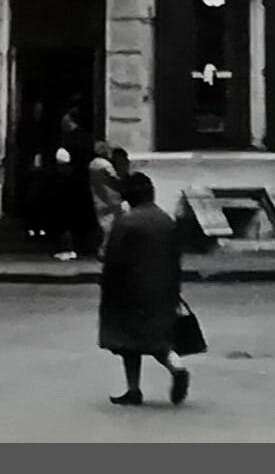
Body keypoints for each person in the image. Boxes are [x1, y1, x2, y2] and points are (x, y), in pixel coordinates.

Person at [98, 173, 191, 408]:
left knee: (127, 341)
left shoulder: (126, 222)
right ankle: (177, 366)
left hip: (130, 290)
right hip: (162, 289)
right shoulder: (166, 220)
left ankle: (133, 389)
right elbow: (175, 258)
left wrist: (107, 286)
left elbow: (114, 259)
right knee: (157, 338)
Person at [88, 141, 124, 255]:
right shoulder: (105, 164)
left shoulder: (92, 164)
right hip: (111, 199)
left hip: (99, 199)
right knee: (111, 228)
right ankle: (105, 251)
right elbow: (114, 178)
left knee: (104, 226)